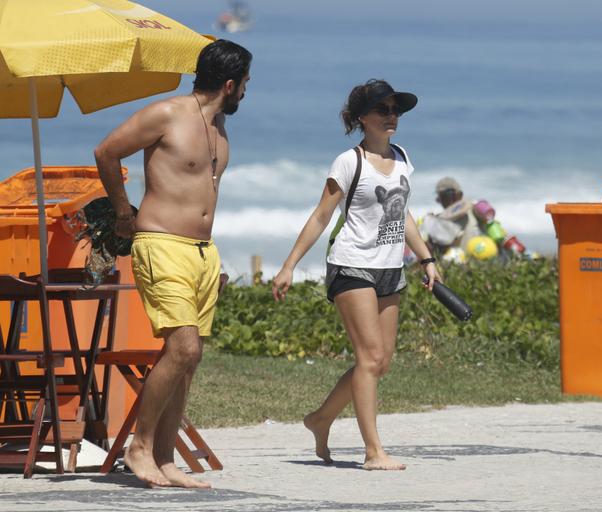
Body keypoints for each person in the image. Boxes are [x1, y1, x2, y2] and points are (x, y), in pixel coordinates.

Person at [94, 39, 251, 488]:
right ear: (229, 83)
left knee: (187, 360)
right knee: (183, 348)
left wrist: (209, 260)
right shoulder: (166, 114)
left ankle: (164, 458)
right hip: (160, 244)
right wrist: (124, 212)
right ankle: (138, 447)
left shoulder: (219, 128)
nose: (245, 92)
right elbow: (106, 152)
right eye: (244, 84)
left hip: (202, 253)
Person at [272, 79, 439, 471]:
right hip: (352, 264)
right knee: (369, 358)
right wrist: (289, 265)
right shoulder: (349, 162)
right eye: (383, 110)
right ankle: (373, 452)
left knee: (380, 363)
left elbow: (402, 214)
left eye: (395, 109)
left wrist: (426, 258)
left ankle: (320, 418)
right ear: (362, 117)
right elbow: (321, 216)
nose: (391, 116)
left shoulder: (402, 157)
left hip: (390, 268)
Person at [419, 177, 482, 257]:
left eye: (444, 197)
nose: (441, 201)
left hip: (459, 263)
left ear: (458, 195)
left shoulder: (442, 220)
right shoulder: (474, 209)